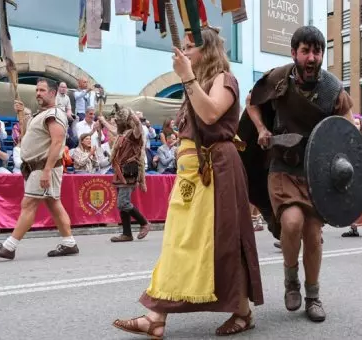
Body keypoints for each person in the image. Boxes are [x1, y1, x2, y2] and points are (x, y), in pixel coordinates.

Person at [112, 26, 263, 338]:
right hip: (191, 173)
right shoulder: (196, 83)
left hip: (217, 169)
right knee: (179, 242)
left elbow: (210, 115)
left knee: (221, 244)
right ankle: (156, 317)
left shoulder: (224, 79)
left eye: (190, 47)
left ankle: (242, 312)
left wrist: (187, 77)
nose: (183, 52)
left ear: (207, 51)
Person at [245, 25, 353, 322]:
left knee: (313, 233)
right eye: (305, 51)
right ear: (294, 53)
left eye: (317, 51)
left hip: (316, 171)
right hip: (282, 165)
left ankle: (313, 294)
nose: (312, 57)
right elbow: (251, 102)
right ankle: (291, 280)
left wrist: (348, 139)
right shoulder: (279, 78)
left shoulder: (332, 88)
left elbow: (347, 123)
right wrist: (262, 129)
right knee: (291, 223)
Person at [0, 78, 79, 260]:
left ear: (53, 93)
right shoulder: (42, 114)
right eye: (37, 90)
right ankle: (69, 243)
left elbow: (57, 142)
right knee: (54, 204)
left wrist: (47, 170)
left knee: (28, 204)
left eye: (42, 90)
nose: (38, 93)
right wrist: (23, 116)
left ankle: (9, 247)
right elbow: (30, 137)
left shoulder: (55, 114)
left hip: (43, 167)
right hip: (38, 167)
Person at [107, 108, 151, 242]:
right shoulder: (122, 134)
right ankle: (127, 233)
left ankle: (144, 223)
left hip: (129, 172)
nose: (116, 121)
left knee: (123, 203)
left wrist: (132, 114)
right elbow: (113, 129)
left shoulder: (134, 134)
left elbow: (138, 126)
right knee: (122, 204)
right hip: (120, 172)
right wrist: (103, 121)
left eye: (119, 120)